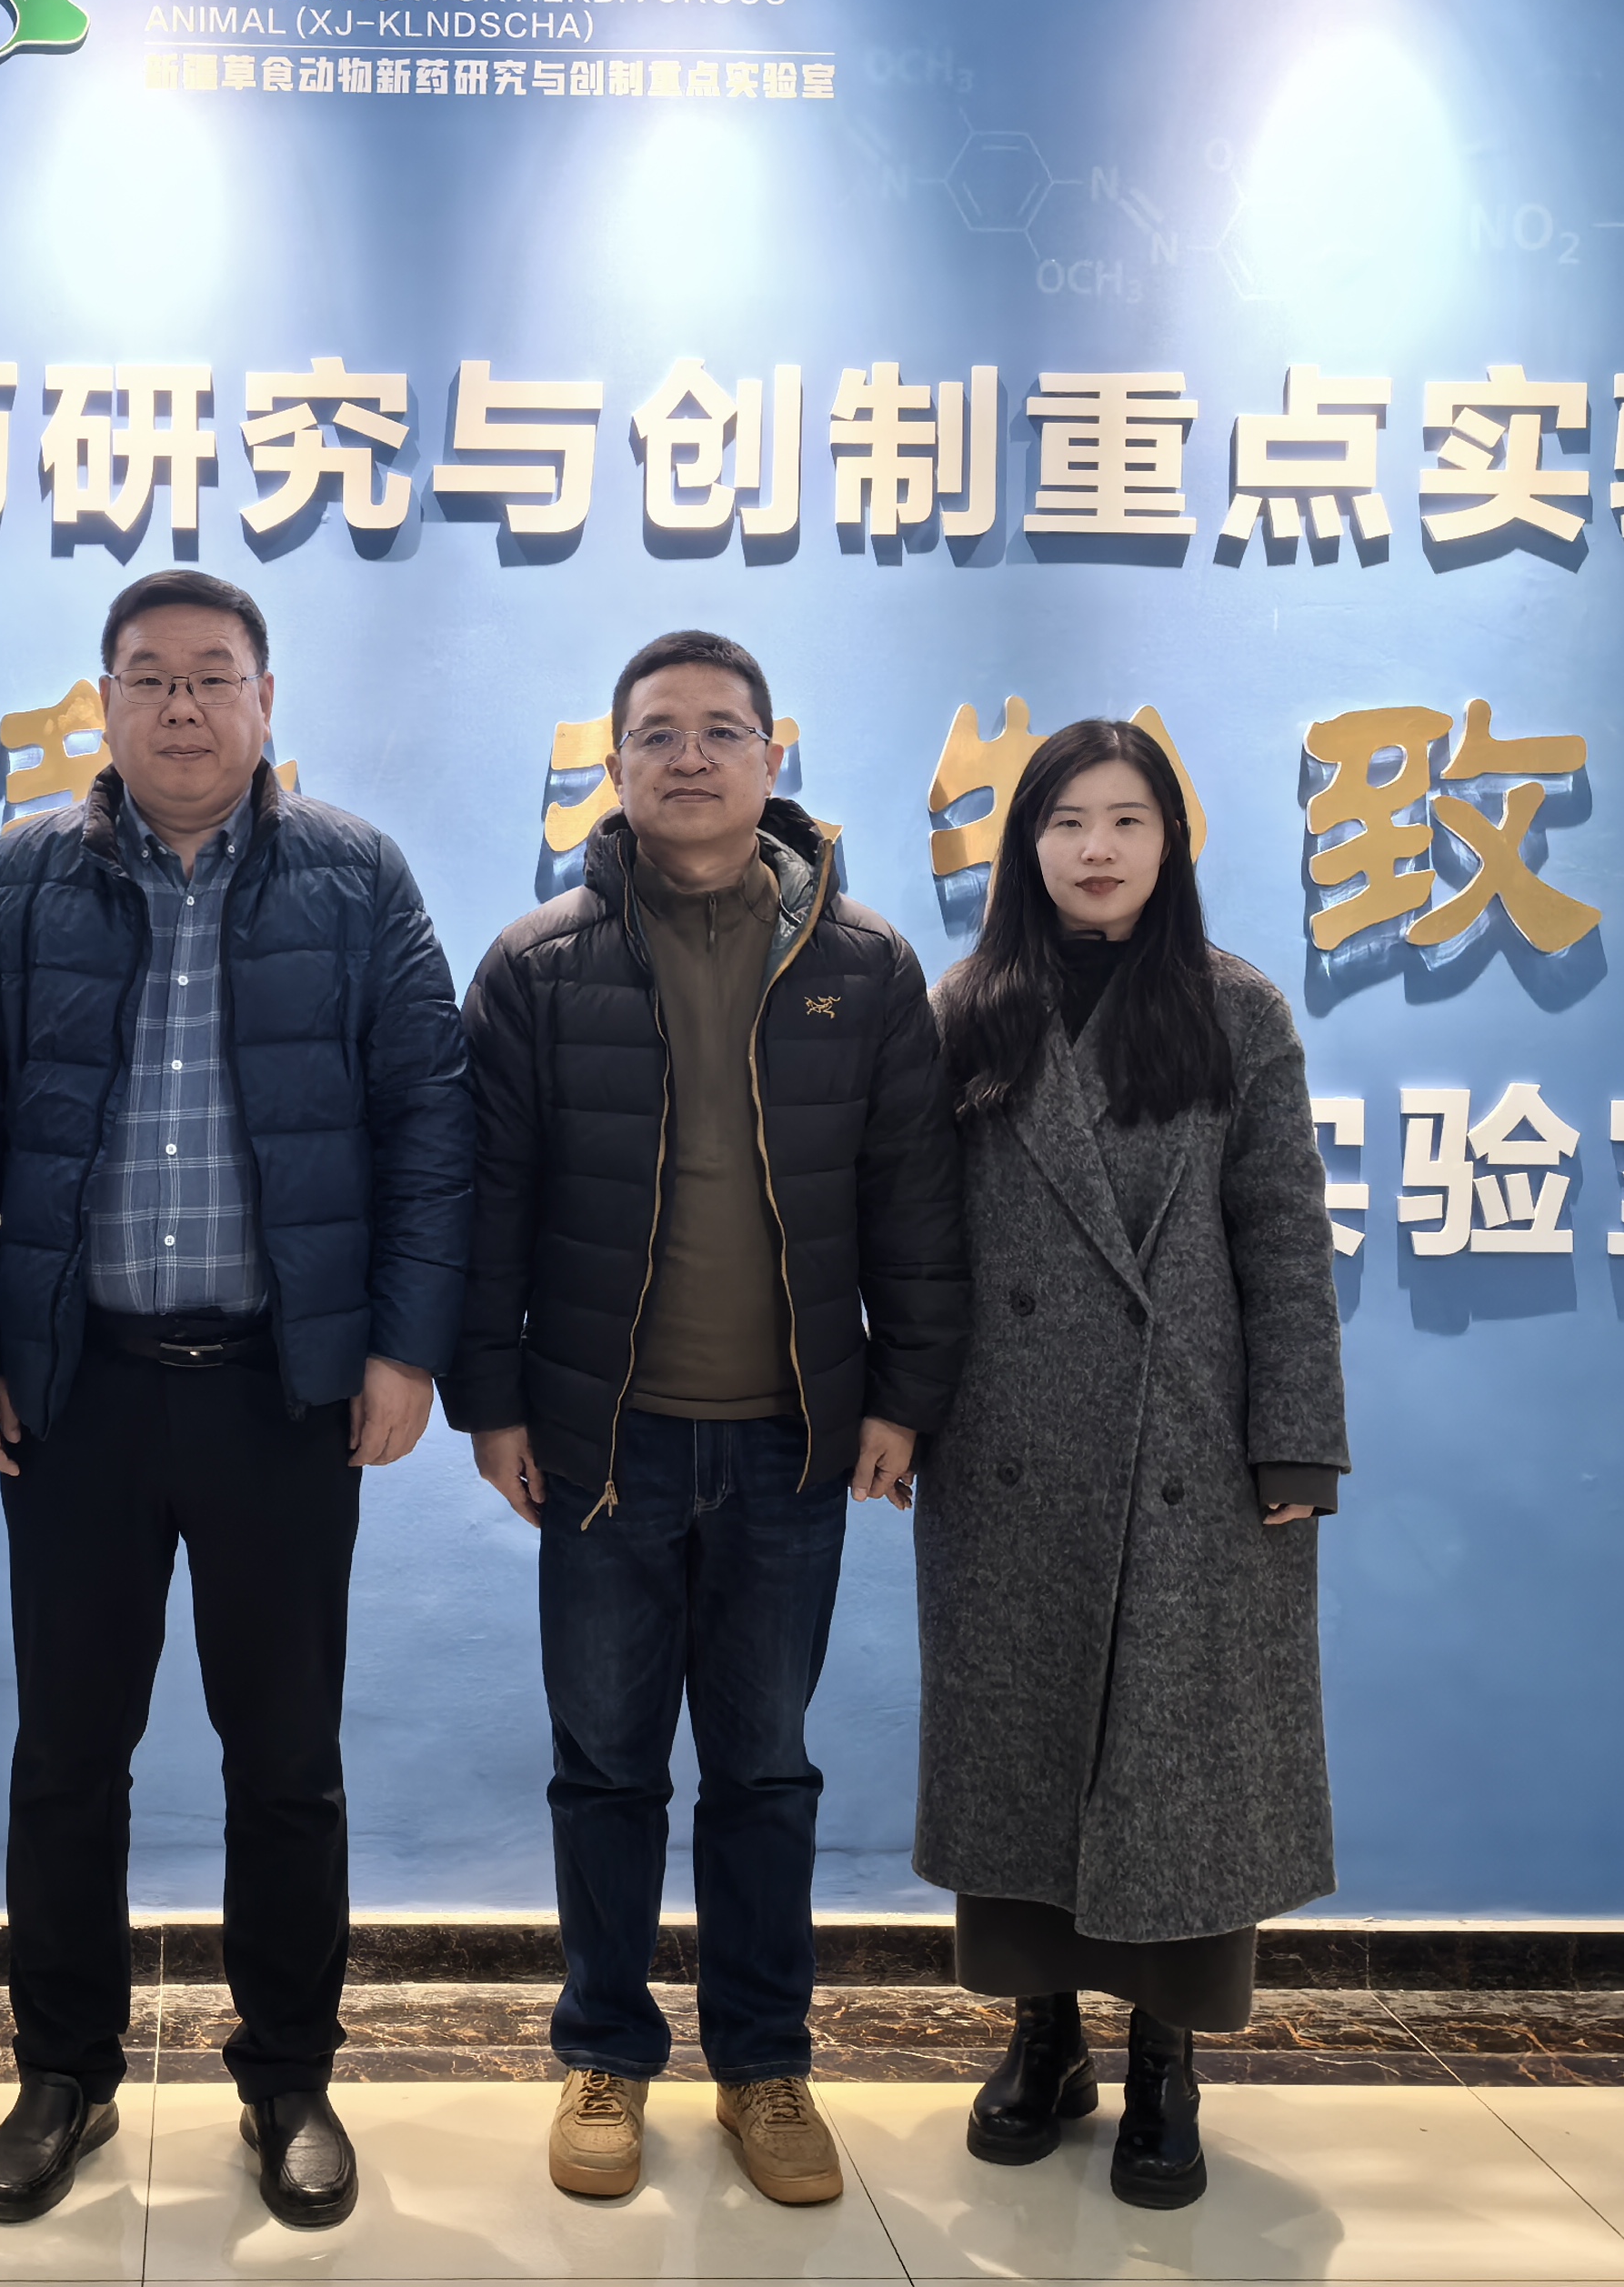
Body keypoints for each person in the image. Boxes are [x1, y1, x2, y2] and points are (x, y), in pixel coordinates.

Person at [0, 572, 472, 2232]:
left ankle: (289, 2078)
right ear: (104, 705)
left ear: (266, 701)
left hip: (280, 1397)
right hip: (76, 1395)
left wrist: (404, 1350)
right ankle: (62, 2075)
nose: (181, 707)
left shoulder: (358, 877)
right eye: (148, 678)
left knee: (285, 1759)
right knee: (68, 1758)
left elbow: (428, 1126)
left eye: (214, 677)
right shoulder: (20, 883)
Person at [447, 627, 965, 2209]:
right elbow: (488, 1206)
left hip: (791, 1444)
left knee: (764, 1770)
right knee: (605, 1768)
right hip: (604, 1447)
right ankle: (604, 2053)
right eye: (657, 732)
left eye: (721, 730)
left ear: (772, 756)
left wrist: (906, 1395)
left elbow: (914, 1205)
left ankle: (765, 2064)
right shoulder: (538, 967)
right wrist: (489, 1403)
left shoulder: (866, 966)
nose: (689, 757)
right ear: (612, 764)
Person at [915, 717, 1348, 2212]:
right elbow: (918, 1244)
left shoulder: (1237, 1009)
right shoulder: (968, 1009)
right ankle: (1042, 2035)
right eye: (1067, 822)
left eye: (1128, 820)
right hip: (1008, 1441)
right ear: (1025, 844)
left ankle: (1168, 2055)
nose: (1097, 848)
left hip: (1191, 1449)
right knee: (1019, 1749)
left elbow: (1283, 1235)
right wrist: (900, 1410)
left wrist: (1297, 1438)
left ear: (1173, 841)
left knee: (1184, 1764)